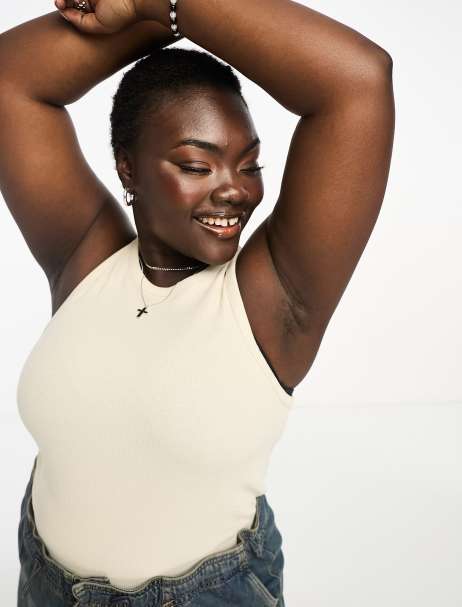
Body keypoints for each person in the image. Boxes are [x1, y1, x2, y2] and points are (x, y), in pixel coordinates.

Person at [0, 0, 395, 604]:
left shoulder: (271, 299)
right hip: (46, 583)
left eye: (249, 164)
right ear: (128, 169)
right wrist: (145, 17)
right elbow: (10, 81)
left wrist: (159, 5)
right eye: (196, 164)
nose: (235, 189)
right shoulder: (87, 257)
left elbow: (358, 81)